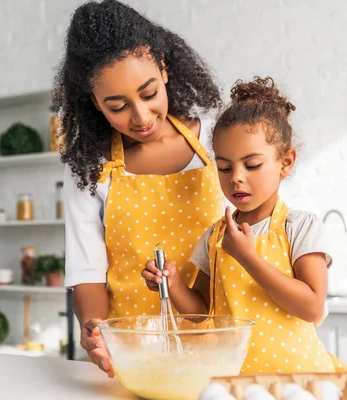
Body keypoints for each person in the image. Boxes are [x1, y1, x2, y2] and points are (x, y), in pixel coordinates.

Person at [54, 0, 224, 377]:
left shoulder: (216, 141)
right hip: (132, 352)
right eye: (117, 106)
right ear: (95, 104)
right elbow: (87, 268)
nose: (141, 117)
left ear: (164, 68)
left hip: (218, 343)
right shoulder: (88, 167)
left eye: (148, 94)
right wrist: (95, 329)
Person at [143, 77, 347, 374]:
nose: (236, 177)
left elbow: (311, 307)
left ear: (286, 162)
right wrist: (172, 283)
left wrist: (247, 257)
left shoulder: (301, 227)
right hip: (235, 383)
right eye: (224, 167)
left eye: (251, 165)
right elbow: (201, 312)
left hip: (300, 381)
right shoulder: (215, 237)